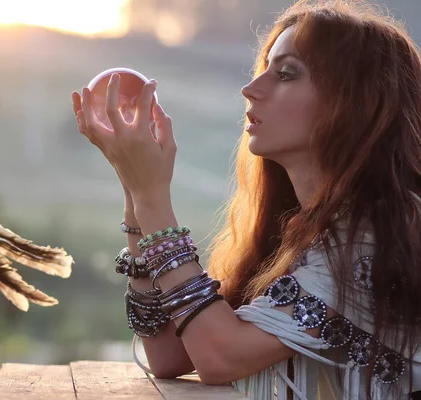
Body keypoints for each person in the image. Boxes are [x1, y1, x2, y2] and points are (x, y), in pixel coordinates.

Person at [71, 0, 421, 398]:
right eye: (265, 69)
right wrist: (136, 193)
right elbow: (170, 355)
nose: (251, 89)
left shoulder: (384, 229)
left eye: (286, 74)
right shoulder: (299, 229)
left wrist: (153, 197)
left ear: (354, 103)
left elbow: (221, 357)